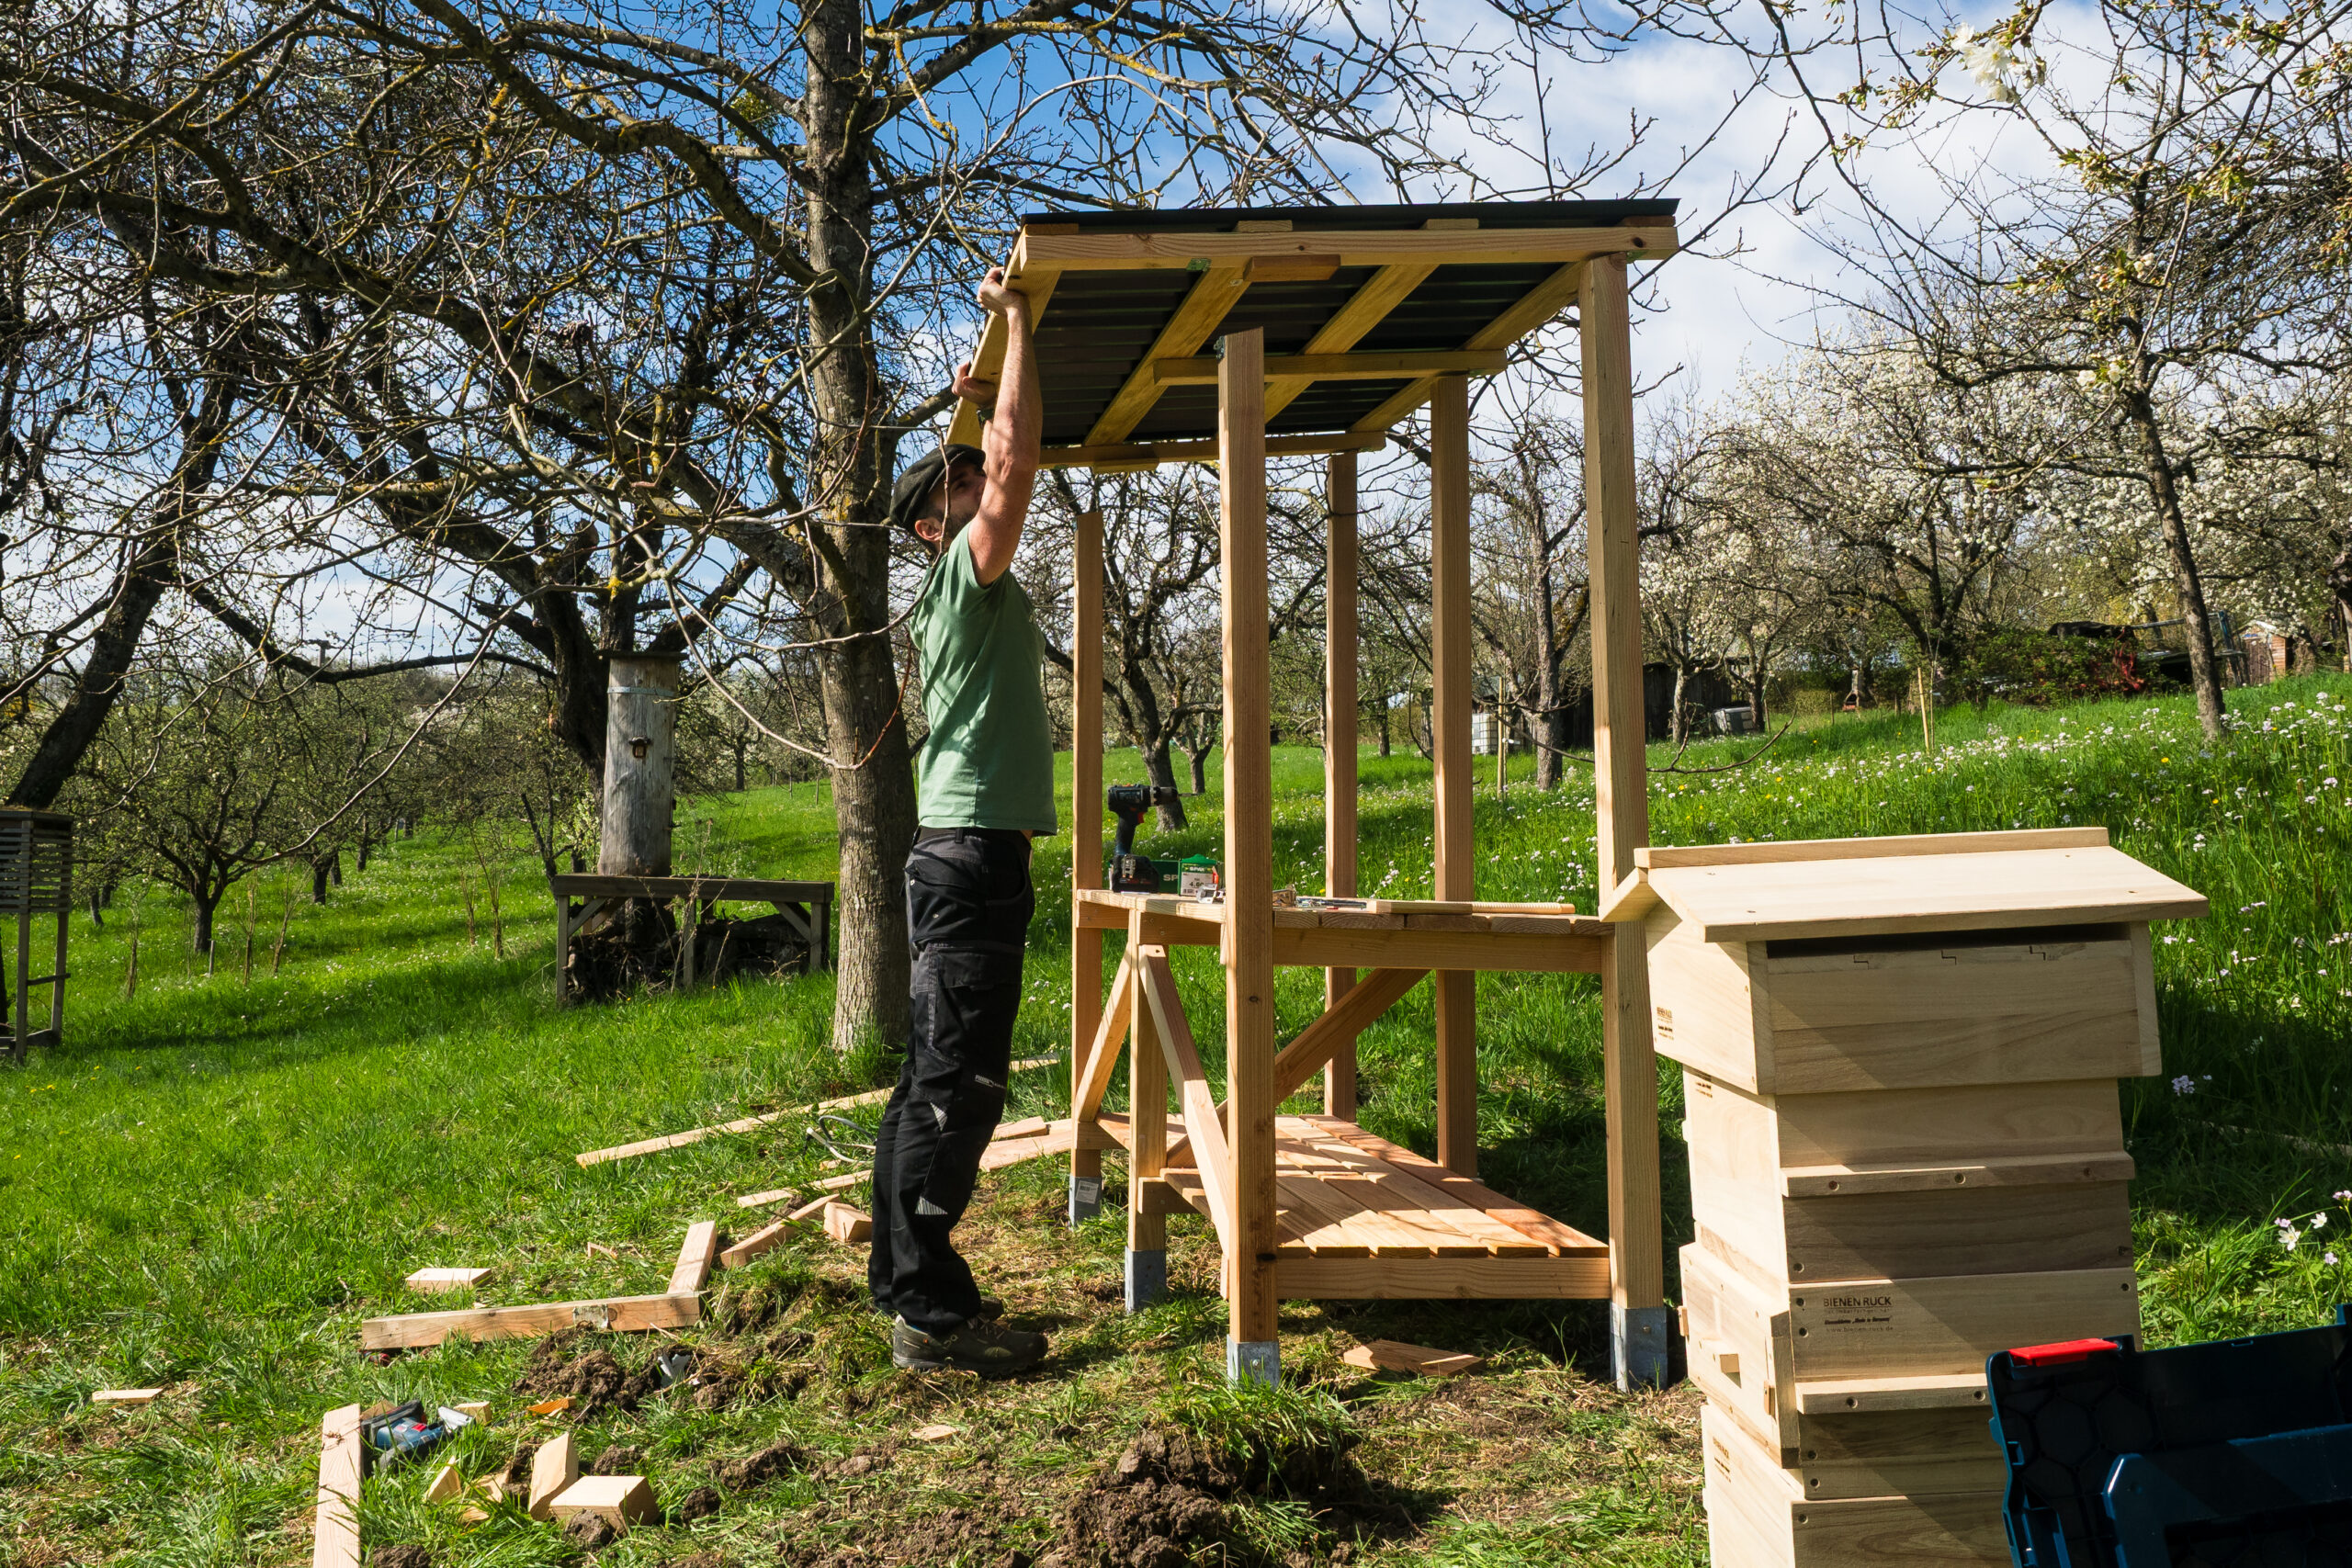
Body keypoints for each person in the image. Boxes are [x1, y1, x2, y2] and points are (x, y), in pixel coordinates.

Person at [868, 265, 1053, 1377]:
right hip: (972, 856)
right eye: (963, 481)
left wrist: (985, 375)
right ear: (936, 521)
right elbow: (1018, 461)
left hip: (962, 852)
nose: (982, 480)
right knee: (960, 1087)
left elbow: (1005, 450)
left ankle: (907, 1282)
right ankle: (930, 1319)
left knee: (929, 1078)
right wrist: (1019, 316)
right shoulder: (964, 574)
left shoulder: (956, 591)